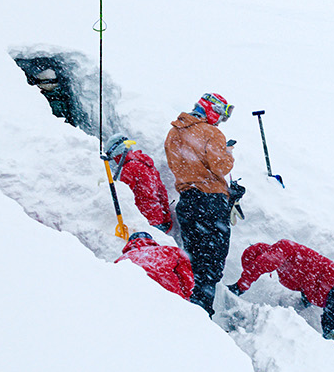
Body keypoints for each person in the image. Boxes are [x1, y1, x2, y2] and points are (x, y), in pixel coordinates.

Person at [231, 240, 334, 372]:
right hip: (332, 291)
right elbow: (305, 277)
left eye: (254, 265)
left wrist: (241, 285)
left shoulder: (283, 247)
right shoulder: (284, 267)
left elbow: (265, 264)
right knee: (330, 332)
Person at [164, 93, 240, 314]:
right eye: (220, 114)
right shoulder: (211, 133)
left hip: (188, 203)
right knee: (211, 264)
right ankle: (203, 314)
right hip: (210, 204)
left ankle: (190, 310)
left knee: (194, 261)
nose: (219, 120)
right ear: (211, 109)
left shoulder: (173, 132)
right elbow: (221, 167)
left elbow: (178, 165)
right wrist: (228, 153)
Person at [102, 134, 172, 231]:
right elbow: (162, 192)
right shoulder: (146, 164)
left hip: (144, 221)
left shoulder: (130, 168)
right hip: (157, 217)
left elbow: (122, 197)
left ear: (118, 154)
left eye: (114, 158)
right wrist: (166, 215)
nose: (115, 161)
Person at [117, 230, 195, 303]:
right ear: (151, 241)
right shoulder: (169, 251)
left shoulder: (121, 260)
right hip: (171, 299)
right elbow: (186, 279)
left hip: (138, 301)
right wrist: (185, 297)